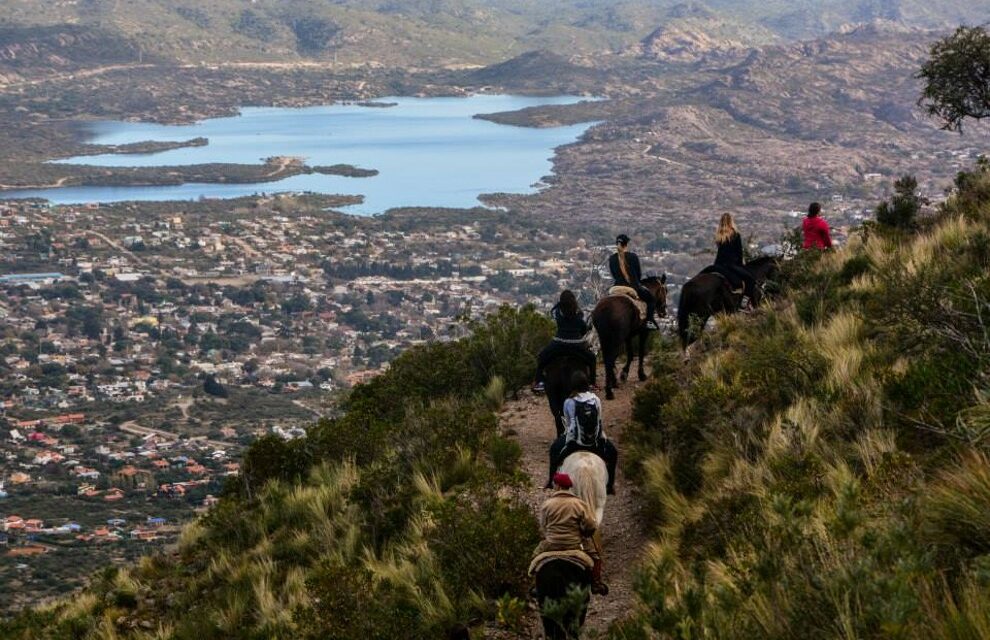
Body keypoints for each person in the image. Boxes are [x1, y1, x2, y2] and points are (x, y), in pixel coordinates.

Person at [534, 471, 608, 596]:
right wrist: (585, 533)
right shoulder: (579, 504)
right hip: (574, 544)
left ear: (557, 486)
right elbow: (591, 525)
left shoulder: (547, 504)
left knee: (535, 557)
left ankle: (535, 586)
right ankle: (596, 583)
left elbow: (543, 527)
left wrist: (550, 534)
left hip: (551, 544)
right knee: (595, 558)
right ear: (568, 487)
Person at [545, 370, 618, 495]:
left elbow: (568, 425)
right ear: (587, 383)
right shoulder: (596, 399)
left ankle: (551, 481)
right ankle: (610, 485)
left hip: (574, 442)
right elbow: (599, 420)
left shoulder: (568, 402)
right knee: (614, 454)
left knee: (553, 451)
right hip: (595, 442)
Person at [533, 290, 597, 392]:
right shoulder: (579, 314)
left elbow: (554, 314)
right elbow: (583, 329)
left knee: (542, 356)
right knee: (592, 359)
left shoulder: (558, 312)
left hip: (558, 343)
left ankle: (539, 382)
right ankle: (592, 383)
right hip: (576, 345)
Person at [608, 234, 659, 330]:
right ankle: (649, 321)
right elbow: (638, 274)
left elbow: (614, 275)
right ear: (627, 244)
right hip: (632, 287)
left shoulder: (612, 259)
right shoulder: (633, 257)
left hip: (616, 288)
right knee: (651, 300)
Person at [712, 212, 759, 306]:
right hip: (731, 265)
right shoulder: (736, 235)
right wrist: (741, 266)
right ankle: (744, 303)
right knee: (750, 279)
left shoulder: (719, 236)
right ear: (731, 221)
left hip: (718, 265)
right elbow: (739, 253)